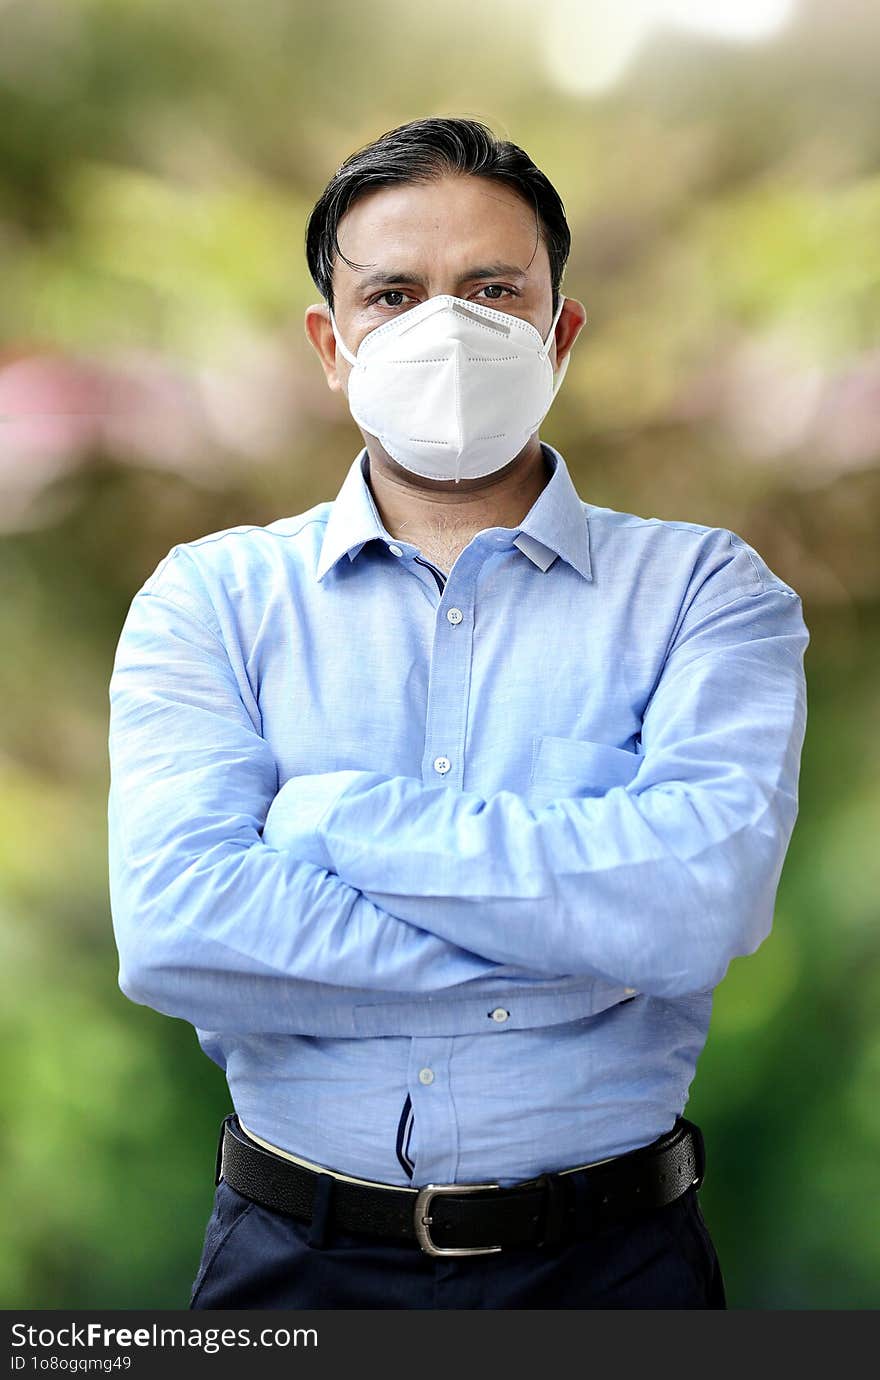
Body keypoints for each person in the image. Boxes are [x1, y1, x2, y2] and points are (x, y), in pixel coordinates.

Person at [107, 116, 809, 1310]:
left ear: (558, 329)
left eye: (492, 288)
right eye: (394, 294)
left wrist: (325, 821)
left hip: (615, 1266)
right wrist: (585, 950)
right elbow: (179, 926)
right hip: (293, 1265)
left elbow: (700, 902)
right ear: (332, 345)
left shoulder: (705, 592)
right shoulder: (211, 598)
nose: (446, 327)